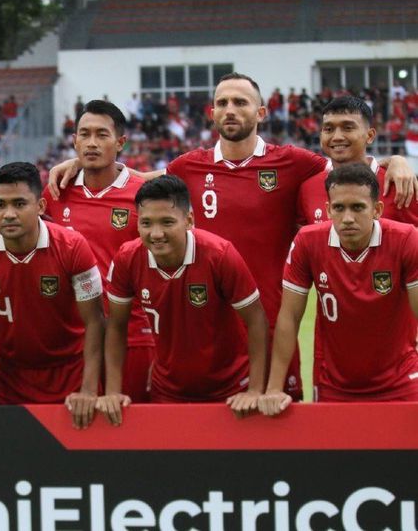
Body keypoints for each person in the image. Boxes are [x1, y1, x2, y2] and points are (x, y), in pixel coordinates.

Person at [48, 72, 417, 400]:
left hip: (270, 321)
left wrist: (392, 161)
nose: (230, 109)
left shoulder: (294, 164)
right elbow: (137, 182)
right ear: (211, 114)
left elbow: (349, 165)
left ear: (261, 113)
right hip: (207, 323)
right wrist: (88, 161)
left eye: (241, 102)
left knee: (274, 420)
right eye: (222, 102)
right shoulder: (187, 166)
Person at [100, 175, 267, 424]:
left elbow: (257, 321)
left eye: (167, 222)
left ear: (189, 220)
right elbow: (116, 326)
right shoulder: (128, 258)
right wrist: (113, 392)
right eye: (146, 223)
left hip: (231, 389)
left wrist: (255, 390)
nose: (156, 234)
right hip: (168, 389)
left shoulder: (219, 255)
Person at [0, 162, 104, 429]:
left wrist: (88, 390)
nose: (8, 214)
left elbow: (95, 321)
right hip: (11, 378)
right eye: (0, 205)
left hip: (71, 377)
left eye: (19, 204)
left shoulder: (72, 247)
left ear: (41, 207)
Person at [260, 163, 418, 414]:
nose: (347, 218)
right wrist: (274, 388)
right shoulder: (308, 242)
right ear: (328, 209)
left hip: (400, 382)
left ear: (377, 210)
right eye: (339, 208)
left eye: (357, 207)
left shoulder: (407, 239)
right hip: (333, 385)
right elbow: (289, 316)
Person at [43, 100, 154, 402]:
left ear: (120, 143)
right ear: (74, 140)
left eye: (102, 135)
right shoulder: (55, 191)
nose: (92, 143)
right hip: (72, 339)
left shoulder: (142, 194)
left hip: (132, 335)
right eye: (84, 134)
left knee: (135, 431)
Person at [299, 96, 418, 227]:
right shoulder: (308, 188)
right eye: (328, 129)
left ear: (370, 135)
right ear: (321, 136)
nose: (337, 137)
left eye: (348, 128)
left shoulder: (401, 185)